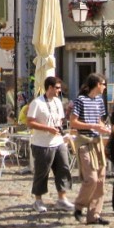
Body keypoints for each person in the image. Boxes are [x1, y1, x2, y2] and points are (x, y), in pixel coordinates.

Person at [26, 75, 74, 214]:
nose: (59, 91)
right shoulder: (37, 103)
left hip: (58, 142)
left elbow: (59, 120)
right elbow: (30, 122)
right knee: (42, 172)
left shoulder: (58, 102)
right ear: (50, 88)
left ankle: (62, 199)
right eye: (57, 88)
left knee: (63, 169)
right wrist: (47, 128)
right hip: (42, 144)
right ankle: (38, 200)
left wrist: (61, 129)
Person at [69, 73, 110, 225]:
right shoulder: (80, 100)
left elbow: (99, 120)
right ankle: (79, 206)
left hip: (97, 141)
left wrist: (103, 129)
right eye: (103, 84)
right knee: (91, 178)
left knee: (100, 180)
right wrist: (92, 126)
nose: (105, 87)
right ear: (97, 84)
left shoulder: (99, 100)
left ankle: (94, 215)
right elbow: (73, 123)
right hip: (85, 142)